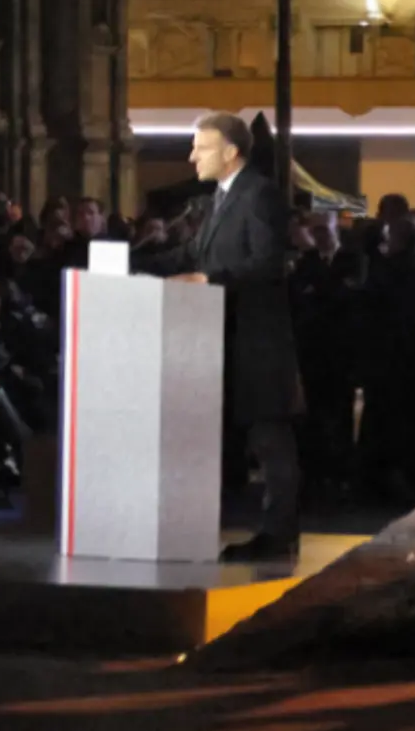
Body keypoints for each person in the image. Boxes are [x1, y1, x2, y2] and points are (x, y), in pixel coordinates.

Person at [135, 111, 305, 562]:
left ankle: (279, 534)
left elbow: (268, 263)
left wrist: (207, 281)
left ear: (231, 152)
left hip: (257, 343)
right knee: (253, 441)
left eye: (201, 148)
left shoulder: (260, 194)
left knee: (271, 443)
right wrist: (128, 264)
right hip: (224, 340)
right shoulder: (219, 198)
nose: (191, 157)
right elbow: (190, 253)